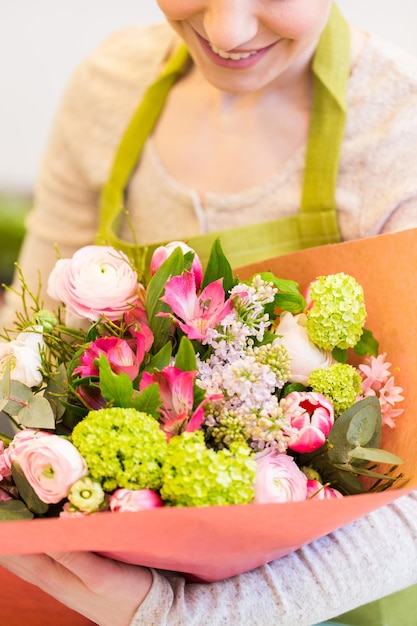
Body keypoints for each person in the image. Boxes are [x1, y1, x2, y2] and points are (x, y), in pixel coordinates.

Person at [1, 1, 417, 624]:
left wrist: (170, 613)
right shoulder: (107, 85)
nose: (227, 30)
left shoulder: (396, 127)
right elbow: (24, 333)